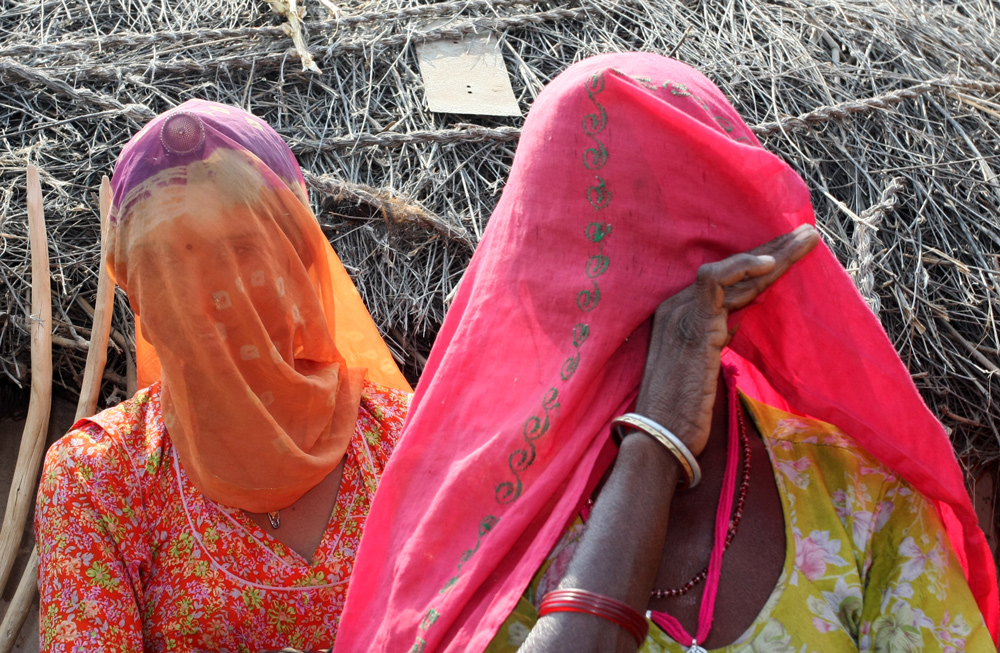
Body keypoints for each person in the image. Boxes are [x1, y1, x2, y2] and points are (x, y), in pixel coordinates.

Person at [332, 53, 999, 652]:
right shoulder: (481, 521)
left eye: (660, 240)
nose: (604, 292)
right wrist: (657, 436)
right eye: (578, 248)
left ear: (740, 265)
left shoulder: (859, 498)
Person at [34, 100, 412, 652]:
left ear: (300, 259)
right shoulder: (99, 480)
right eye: (172, 264)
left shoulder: (406, 442)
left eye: (241, 249)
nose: (212, 294)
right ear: (139, 299)